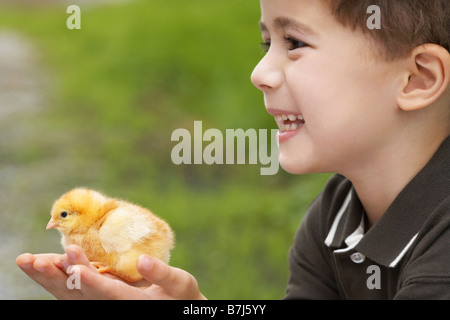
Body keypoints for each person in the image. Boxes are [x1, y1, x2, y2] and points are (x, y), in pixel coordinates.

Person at [17, 0, 449, 299]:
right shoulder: (334, 215)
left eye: (294, 43)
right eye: (267, 44)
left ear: (417, 79)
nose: (259, 73)